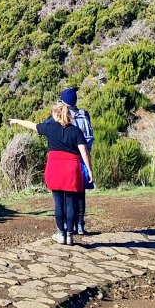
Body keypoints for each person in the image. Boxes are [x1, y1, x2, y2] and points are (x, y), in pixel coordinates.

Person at [9, 102, 93, 246]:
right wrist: (89, 170)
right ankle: (70, 236)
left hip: (55, 167)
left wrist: (16, 121)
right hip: (72, 167)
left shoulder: (49, 128)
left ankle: (61, 234)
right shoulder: (76, 131)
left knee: (59, 202)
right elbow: (84, 152)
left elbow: (31, 125)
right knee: (70, 203)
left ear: (56, 114)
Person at [61, 87, 94, 234]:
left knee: (67, 194)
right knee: (81, 193)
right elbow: (89, 140)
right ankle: (80, 224)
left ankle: (68, 225)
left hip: (67, 159)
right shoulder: (84, 115)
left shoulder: (62, 117)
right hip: (82, 158)